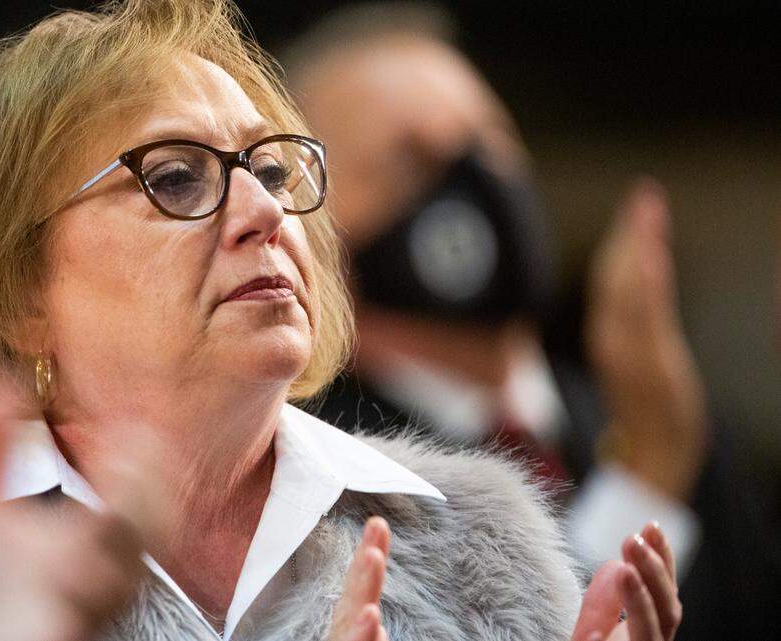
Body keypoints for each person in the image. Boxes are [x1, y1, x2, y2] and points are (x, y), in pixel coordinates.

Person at [0, 1, 681, 640]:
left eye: (274, 172)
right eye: (174, 178)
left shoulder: (484, 544)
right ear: (19, 291)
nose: (264, 213)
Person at [282, 4, 778, 640]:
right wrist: (649, 478)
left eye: (489, 141)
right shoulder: (328, 470)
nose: (476, 178)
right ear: (311, 228)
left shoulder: (660, 421)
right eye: (411, 160)